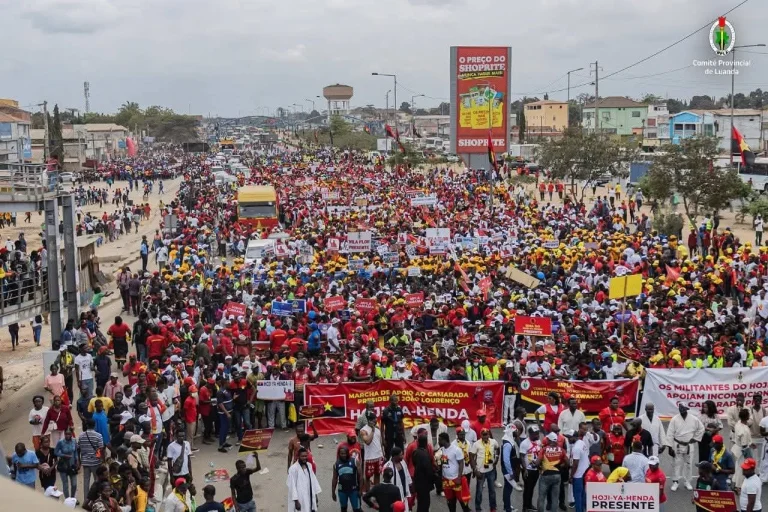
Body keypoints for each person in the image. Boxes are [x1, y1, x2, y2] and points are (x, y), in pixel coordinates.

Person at [665, 403, 704, 491]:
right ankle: (675, 481)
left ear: (687, 409)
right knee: (676, 463)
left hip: (689, 444)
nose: (681, 410)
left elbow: (701, 428)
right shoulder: (674, 419)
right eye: (680, 408)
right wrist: (669, 447)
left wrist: (695, 438)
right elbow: (670, 433)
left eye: (683, 408)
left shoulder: (694, 419)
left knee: (689, 464)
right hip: (677, 444)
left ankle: (687, 481)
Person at [439, 432, 471, 512]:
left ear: (444, 440)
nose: (438, 442)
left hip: (456, 479)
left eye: (439, 440)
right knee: (450, 501)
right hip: (446, 480)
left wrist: (459, 478)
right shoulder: (441, 450)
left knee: (462, 500)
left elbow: (461, 463)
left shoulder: (456, 450)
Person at [470, 427, 499, 512]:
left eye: (487, 434)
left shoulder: (493, 442)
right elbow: (471, 455)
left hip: (491, 470)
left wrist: (496, 459)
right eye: (484, 435)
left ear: (489, 434)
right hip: (480, 472)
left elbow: (497, 449)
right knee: (479, 491)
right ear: (481, 435)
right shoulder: (476, 444)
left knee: (492, 491)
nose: (486, 436)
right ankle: (478, 508)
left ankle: (493, 507)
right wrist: (475, 470)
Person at [538, 432, 566, 512]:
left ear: (549, 440)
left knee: (541, 497)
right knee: (555, 498)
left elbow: (537, 462)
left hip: (545, 475)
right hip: (557, 476)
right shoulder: (561, 449)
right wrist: (561, 466)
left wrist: (539, 467)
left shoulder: (544, 449)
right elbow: (567, 462)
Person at [287, 447, 321, 512]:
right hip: (299, 497)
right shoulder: (293, 469)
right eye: (302, 456)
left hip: (309, 495)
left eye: (306, 456)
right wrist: (296, 501)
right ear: (298, 457)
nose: (304, 458)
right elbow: (292, 487)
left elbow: (313, 482)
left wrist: (315, 495)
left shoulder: (309, 466)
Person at [78, 418, 105, 500]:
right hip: (95, 462)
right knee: (97, 480)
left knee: (86, 481)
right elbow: (101, 449)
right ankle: (95, 498)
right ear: (94, 425)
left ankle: (86, 499)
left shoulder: (81, 435)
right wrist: (102, 460)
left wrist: (79, 460)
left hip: (85, 461)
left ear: (86, 425)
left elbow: (78, 448)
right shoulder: (98, 435)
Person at [332, 445, 362, 512]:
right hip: (342, 491)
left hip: (353, 490)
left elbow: (360, 477)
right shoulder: (336, 464)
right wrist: (333, 492)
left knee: (357, 509)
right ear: (339, 454)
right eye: (341, 453)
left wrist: (360, 490)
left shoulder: (355, 461)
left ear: (348, 453)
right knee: (343, 509)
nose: (343, 455)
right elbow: (334, 479)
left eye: (345, 453)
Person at [360, 411, 384, 492]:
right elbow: (367, 441)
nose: (374, 421)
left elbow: (379, 442)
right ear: (368, 420)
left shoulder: (378, 428)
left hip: (378, 456)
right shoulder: (363, 430)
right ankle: (368, 493)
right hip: (370, 457)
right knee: (368, 477)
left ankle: (377, 493)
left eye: (374, 419)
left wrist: (382, 453)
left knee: (377, 475)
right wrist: (372, 431)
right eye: (372, 419)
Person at [566, 428, 589, 512]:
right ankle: (584, 509)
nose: (568, 439)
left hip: (578, 475)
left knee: (577, 496)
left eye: (570, 437)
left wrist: (571, 476)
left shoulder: (576, 448)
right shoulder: (581, 442)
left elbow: (575, 464)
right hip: (584, 472)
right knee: (583, 494)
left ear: (575, 437)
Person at [520, 426, 542, 512]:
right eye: (535, 434)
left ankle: (529, 504)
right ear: (530, 434)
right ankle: (525, 507)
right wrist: (525, 469)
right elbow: (522, 457)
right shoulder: (525, 443)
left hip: (536, 469)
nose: (537, 435)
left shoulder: (538, 442)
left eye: (538, 433)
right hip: (528, 470)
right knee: (527, 488)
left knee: (532, 488)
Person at [411, 435, 434, 512]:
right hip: (424, 483)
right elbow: (428, 469)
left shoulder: (415, 452)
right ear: (426, 443)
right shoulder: (425, 454)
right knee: (425, 503)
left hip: (417, 480)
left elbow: (414, 463)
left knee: (421, 502)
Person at [54, 427, 79, 499]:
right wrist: (63, 455)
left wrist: (77, 460)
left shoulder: (74, 440)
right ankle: (67, 499)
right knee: (65, 484)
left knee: (74, 484)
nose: (67, 435)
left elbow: (75, 451)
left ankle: (73, 498)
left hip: (72, 464)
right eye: (66, 434)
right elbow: (55, 452)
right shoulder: (61, 442)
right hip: (63, 465)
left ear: (71, 434)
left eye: (69, 434)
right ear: (64, 434)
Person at [501, 423, 520, 512]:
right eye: (515, 431)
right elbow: (506, 460)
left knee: (508, 487)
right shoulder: (507, 444)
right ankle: (507, 509)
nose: (516, 432)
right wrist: (511, 472)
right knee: (508, 488)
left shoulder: (509, 440)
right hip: (508, 470)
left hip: (510, 468)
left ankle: (507, 505)